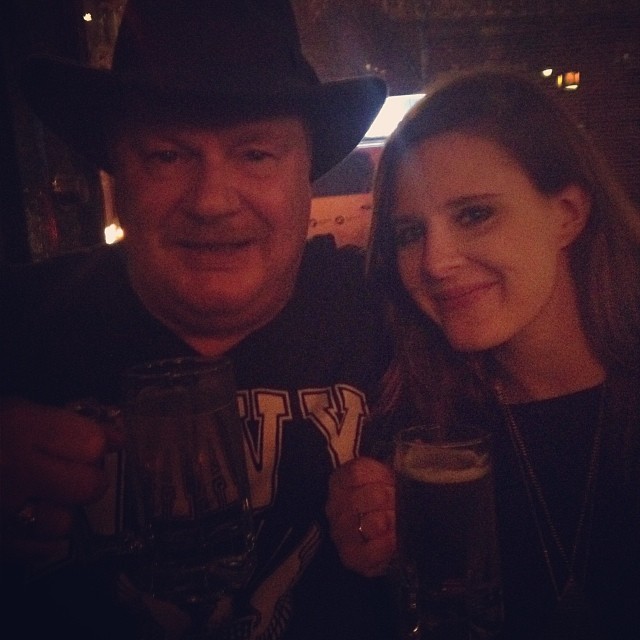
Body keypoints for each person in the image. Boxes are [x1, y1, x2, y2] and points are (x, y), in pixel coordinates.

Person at [0, 1, 393, 639]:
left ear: (308, 177)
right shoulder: (18, 324)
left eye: (256, 154)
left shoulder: (392, 311)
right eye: (166, 155)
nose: (211, 201)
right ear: (117, 178)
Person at [326, 69, 640, 639]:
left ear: (567, 214)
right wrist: (363, 539)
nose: (435, 262)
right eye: (410, 233)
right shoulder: (415, 426)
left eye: (474, 214)